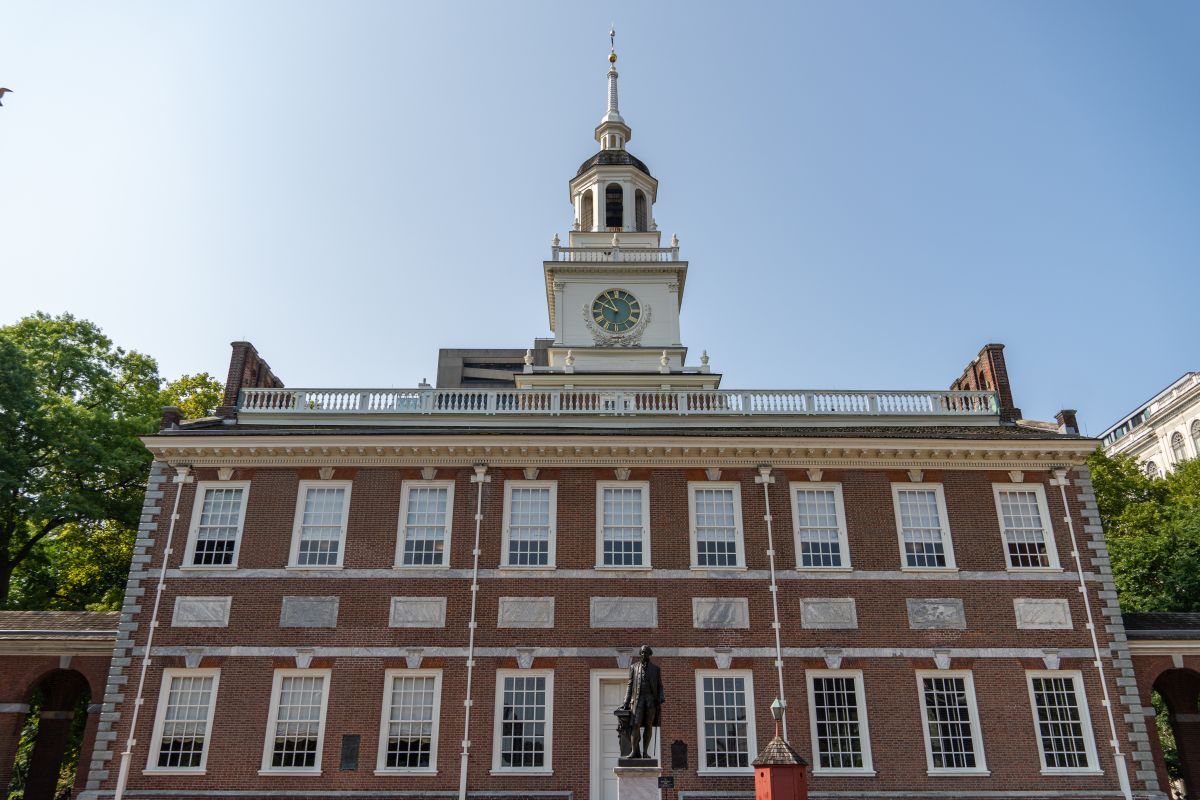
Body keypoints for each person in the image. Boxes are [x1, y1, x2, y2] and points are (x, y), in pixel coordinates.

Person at [621, 644, 664, 759]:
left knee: (648, 726)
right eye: (642, 652)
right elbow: (630, 686)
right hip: (637, 701)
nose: (643, 654)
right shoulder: (634, 667)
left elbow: (660, 687)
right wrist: (626, 702)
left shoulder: (656, 669)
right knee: (635, 725)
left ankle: (645, 752)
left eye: (646, 652)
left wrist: (661, 697)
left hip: (650, 701)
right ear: (640, 654)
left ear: (650, 654)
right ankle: (634, 751)